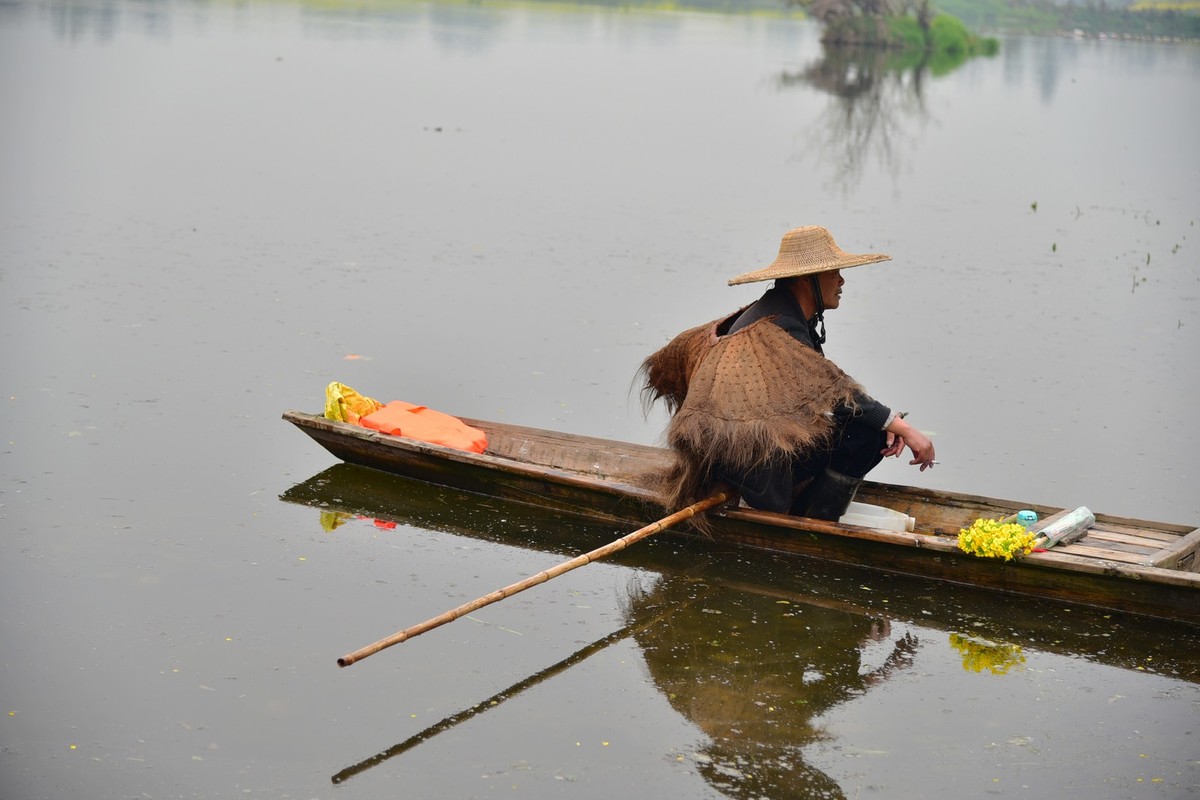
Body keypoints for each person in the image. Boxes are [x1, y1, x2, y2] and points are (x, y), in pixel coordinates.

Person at [640, 225, 936, 521]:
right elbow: (835, 395)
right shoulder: (778, 324)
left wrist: (889, 424)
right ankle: (811, 520)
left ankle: (807, 506)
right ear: (807, 280)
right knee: (866, 433)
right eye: (834, 273)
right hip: (744, 460)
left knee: (870, 429)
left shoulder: (783, 311)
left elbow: (823, 388)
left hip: (756, 449)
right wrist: (903, 429)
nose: (842, 281)